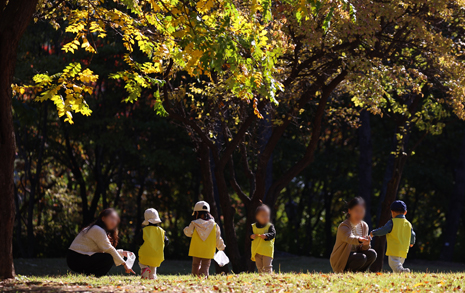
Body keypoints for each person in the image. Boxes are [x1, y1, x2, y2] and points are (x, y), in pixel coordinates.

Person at [67, 208, 135, 277]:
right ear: (103, 218)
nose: (114, 221)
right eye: (112, 218)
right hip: (75, 258)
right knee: (108, 258)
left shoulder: (100, 230)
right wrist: (124, 264)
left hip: (78, 258)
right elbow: (109, 249)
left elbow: (105, 251)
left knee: (107, 257)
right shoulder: (97, 229)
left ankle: (91, 276)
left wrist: (121, 253)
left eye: (115, 220)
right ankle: (94, 277)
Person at [330, 197, 377, 273]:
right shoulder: (344, 226)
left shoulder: (364, 226)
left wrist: (366, 244)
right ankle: (345, 272)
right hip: (343, 259)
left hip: (357, 256)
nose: (359, 214)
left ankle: (359, 273)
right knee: (361, 257)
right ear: (349, 211)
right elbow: (349, 238)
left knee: (372, 254)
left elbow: (364, 249)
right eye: (356, 211)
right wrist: (359, 239)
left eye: (361, 211)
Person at [370, 200, 416, 273]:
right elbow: (412, 234)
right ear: (405, 212)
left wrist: (374, 232)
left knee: (393, 264)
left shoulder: (392, 222)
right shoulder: (409, 224)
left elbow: (383, 230)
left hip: (394, 249)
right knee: (398, 265)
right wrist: (412, 242)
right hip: (404, 249)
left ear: (392, 212)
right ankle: (399, 274)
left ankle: (402, 271)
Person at [183, 201, 226, 277]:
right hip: (208, 250)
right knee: (205, 265)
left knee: (195, 265)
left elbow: (188, 233)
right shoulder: (214, 225)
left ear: (197, 213)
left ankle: (194, 277)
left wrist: (185, 229)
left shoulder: (194, 223)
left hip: (196, 249)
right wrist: (221, 247)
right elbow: (217, 238)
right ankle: (203, 278)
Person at [137, 208, 169, 279]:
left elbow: (138, 241)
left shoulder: (144, 230)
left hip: (145, 254)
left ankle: (145, 270)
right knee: (153, 267)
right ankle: (152, 276)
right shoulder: (162, 231)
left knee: (142, 263)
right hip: (157, 256)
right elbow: (166, 241)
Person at [250, 202, 276, 274]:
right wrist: (251, 236)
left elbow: (273, 234)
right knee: (259, 267)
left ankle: (268, 278)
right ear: (257, 217)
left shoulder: (269, 226)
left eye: (267, 215)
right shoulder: (253, 226)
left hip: (267, 250)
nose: (266, 217)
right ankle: (261, 278)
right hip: (257, 250)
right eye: (263, 215)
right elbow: (249, 235)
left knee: (267, 266)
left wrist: (267, 236)